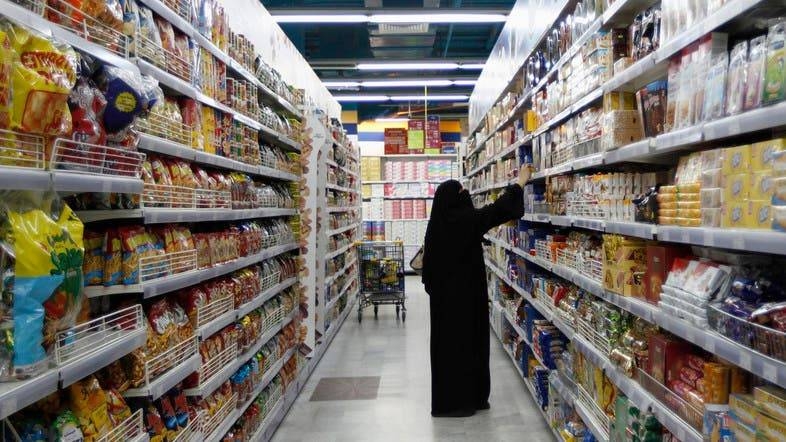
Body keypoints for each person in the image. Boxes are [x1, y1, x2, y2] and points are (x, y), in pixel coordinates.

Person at [422, 164, 532, 418]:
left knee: (447, 350)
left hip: (443, 305)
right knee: (470, 346)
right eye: (463, 193)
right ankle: (472, 396)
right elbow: (498, 210)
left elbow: (428, 274)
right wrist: (520, 182)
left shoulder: (435, 227)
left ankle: (449, 402)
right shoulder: (467, 221)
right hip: (468, 299)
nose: (467, 197)